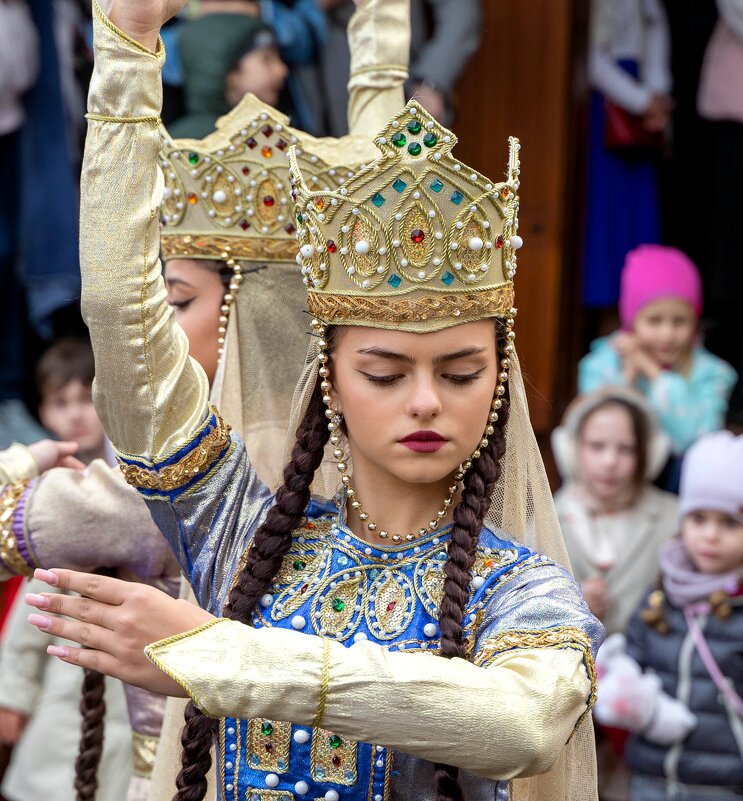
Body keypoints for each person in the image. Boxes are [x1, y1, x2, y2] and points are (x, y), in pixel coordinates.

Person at [25, 0, 604, 798]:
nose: (426, 402)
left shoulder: (520, 587)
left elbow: (523, 722)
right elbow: (125, 320)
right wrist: (126, 55)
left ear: (499, 381)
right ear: (328, 371)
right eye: (386, 372)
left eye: (461, 372)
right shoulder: (246, 535)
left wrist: (219, 656)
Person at [0, 2, 413, 799]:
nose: (155, 323)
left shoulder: (166, 485)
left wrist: (27, 462)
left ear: (249, 318)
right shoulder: (377, 459)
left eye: (175, 300)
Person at [0, 337, 132, 801]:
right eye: (61, 402)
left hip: (133, 685)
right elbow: (32, 607)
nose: (76, 414)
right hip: (67, 676)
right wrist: (13, 694)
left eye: (87, 399)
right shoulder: (52, 489)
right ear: (43, 410)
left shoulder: (138, 473)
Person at [594, 431, 743, 801]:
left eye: (729, 523)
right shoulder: (661, 595)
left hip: (725, 785)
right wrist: (638, 706)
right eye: (698, 518)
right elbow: (629, 662)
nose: (710, 535)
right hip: (652, 779)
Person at [579, 244, 737, 489]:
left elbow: (695, 440)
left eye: (680, 321)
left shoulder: (712, 373)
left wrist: (653, 372)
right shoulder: (603, 364)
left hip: (679, 495)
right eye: (654, 321)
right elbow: (598, 429)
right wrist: (627, 378)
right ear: (631, 321)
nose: (667, 333)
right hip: (614, 489)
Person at [552, 387, 678, 636]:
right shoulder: (545, 518)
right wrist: (569, 606)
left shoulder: (676, 520)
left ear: (649, 454)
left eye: (626, 449)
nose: (610, 461)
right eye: (597, 446)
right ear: (572, 449)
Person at [583, 0, 672, 313]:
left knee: (637, 218)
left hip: (642, 97)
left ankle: (640, 311)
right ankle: (605, 318)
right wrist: (640, 101)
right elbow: (590, 56)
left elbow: (655, 28)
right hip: (610, 108)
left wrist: (656, 94)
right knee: (608, 218)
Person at [168, 14, 288, 139]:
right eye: (267, 60)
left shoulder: (268, 129)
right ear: (232, 72)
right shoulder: (193, 140)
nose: (282, 70)